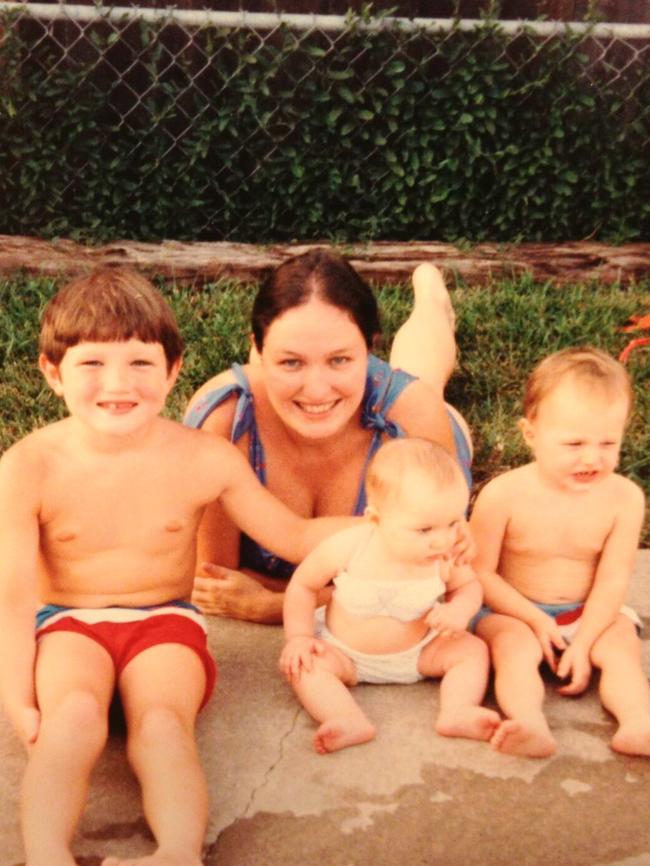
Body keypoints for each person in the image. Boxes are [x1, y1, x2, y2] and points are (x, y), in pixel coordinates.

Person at [0, 268, 352, 866]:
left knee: (163, 724)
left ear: (173, 369)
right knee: (71, 721)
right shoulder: (28, 466)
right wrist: (18, 700)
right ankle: (46, 854)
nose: (119, 384)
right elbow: (10, 594)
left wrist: (382, 532)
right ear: (52, 373)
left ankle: (178, 854)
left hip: (165, 622)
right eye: (92, 365)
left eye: (140, 363)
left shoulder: (200, 458)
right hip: (67, 624)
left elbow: (291, 535)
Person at [185, 250, 473, 623]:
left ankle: (432, 307)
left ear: (370, 349)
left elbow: (429, 577)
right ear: (257, 350)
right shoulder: (225, 420)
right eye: (291, 361)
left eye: (340, 359)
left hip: (409, 422)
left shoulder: (412, 414)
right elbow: (215, 579)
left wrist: (273, 605)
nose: (317, 389)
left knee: (425, 380)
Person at [470, 347, 649, 759]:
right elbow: (480, 573)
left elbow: (613, 580)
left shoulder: (624, 499)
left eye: (609, 442)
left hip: (587, 611)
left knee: (621, 646)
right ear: (530, 434)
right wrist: (533, 619)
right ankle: (529, 723)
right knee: (514, 650)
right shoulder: (504, 496)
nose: (592, 457)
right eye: (574, 443)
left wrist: (585, 642)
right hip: (513, 611)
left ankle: (638, 722)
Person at [278, 437, 499, 754]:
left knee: (473, 650)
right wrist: (298, 636)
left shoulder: (446, 555)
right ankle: (345, 718)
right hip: (344, 653)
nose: (441, 541)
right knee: (305, 667)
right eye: (424, 530)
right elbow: (303, 586)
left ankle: (457, 710)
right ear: (376, 519)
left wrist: (460, 611)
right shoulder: (350, 547)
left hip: (420, 651)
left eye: (452, 523)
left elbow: (468, 586)